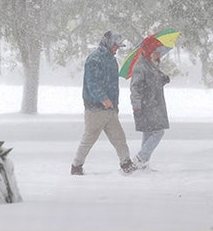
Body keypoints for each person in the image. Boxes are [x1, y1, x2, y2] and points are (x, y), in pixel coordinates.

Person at [71, 30, 136, 175]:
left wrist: (114, 104)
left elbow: (113, 85)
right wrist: (103, 99)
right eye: (115, 46)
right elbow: (92, 83)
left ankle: (126, 163)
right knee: (89, 138)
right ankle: (76, 166)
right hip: (95, 109)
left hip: (110, 109)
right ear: (108, 43)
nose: (116, 49)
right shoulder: (94, 59)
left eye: (118, 47)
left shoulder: (112, 60)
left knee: (119, 137)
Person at [130, 35, 171, 169]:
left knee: (148, 132)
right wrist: (136, 105)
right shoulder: (141, 67)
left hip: (154, 104)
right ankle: (140, 158)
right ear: (149, 52)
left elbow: (152, 83)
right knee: (158, 132)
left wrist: (163, 79)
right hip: (146, 106)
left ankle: (143, 165)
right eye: (157, 51)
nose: (159, 54)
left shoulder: (151, 65)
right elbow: (135, 87)